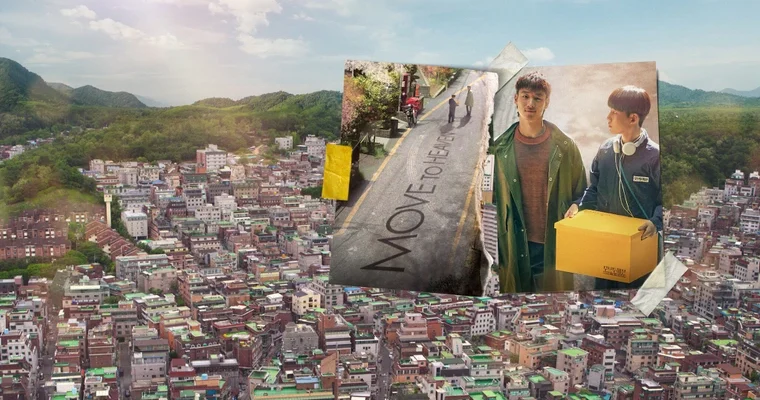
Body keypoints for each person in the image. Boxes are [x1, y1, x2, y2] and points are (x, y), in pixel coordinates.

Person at [489, 72, 588, 293]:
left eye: (537, 98)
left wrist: (577, 205)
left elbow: (583, 193)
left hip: (555, 245)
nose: (530, 104)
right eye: (525, 96)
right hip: (514, 245)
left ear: (547, 102)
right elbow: (490, 199)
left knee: (554, 305)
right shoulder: (499, 149)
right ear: (515, 99)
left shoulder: (565, 147)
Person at [564, 85, 663, 290]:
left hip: (640, 246)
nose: (608, 117)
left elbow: (666, 202)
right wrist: (578, 206)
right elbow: (594, 189)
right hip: (607, 244)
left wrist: (655, 222)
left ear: (633, 118)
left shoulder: (654, 157)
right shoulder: (606, 150)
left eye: (614, 112)